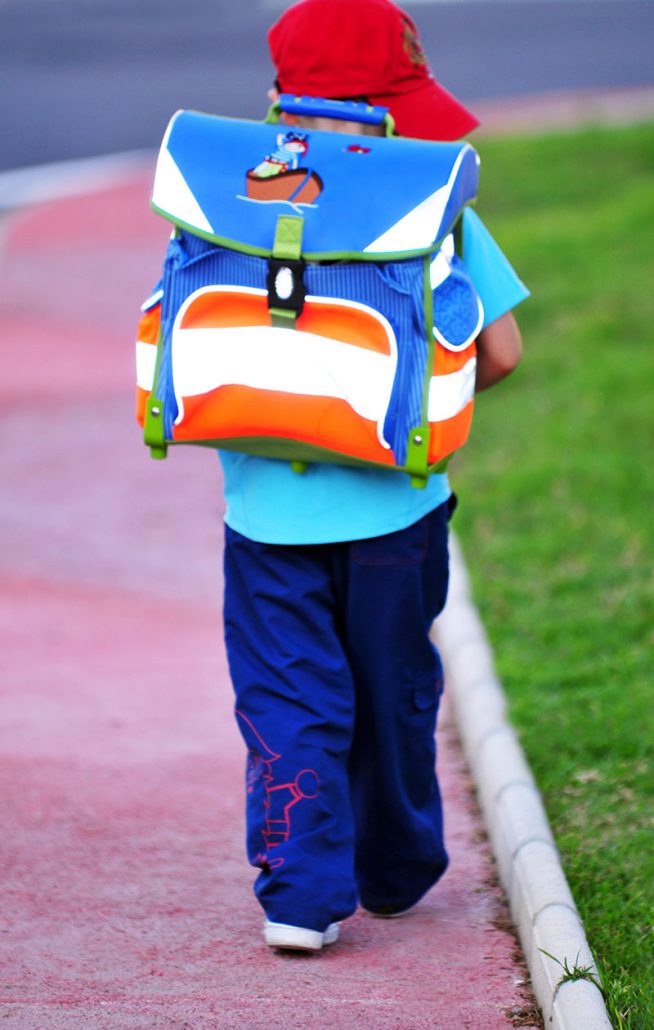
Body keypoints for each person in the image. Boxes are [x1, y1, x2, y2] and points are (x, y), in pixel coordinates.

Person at [219, 0, 528, 952]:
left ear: (281, 100)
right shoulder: (432, 201)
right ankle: (392, 873)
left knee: (289, 695)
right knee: (392, 686)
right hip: (398, 506)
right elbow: (504, 351)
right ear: (384, 116)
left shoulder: (220, 194)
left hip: (267, 511)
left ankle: (299, 896)